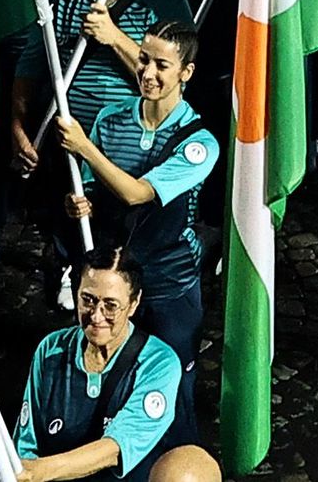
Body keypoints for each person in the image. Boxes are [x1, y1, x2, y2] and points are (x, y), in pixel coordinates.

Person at [43, 27, 217, 366]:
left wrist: (84, 147)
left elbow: (137, 194)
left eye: (162, 65)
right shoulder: (111, 119)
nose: (148, 73)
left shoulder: (200, 144)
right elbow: (93, 186)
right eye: (143, 59)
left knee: (172, 376)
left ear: (186, 72)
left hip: (169, 281)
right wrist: (81, 202)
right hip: (115, 279)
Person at [13, 249, 209, 482]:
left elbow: (114, 448)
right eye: (88, 300)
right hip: (56, 479)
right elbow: (26, 441)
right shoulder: (51, 349)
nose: (96, 316)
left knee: (193, 468)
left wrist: (37, 472)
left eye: (110, 305)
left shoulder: (158, 363)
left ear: (133, 304)